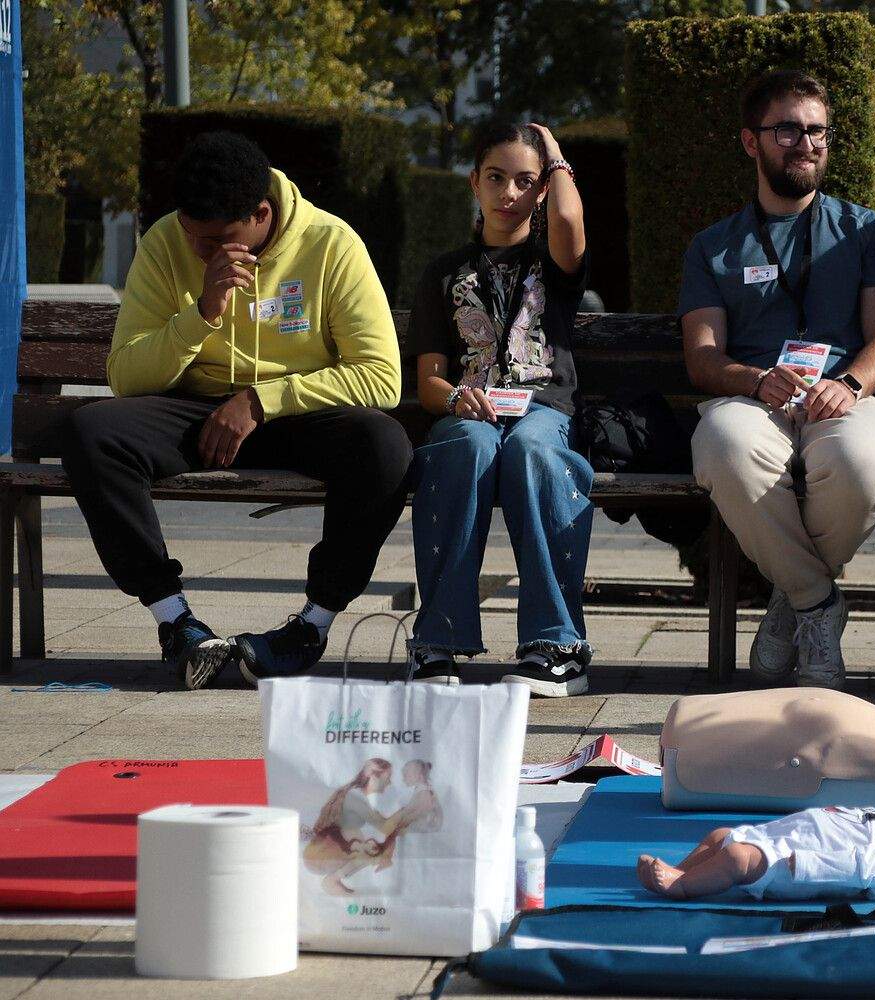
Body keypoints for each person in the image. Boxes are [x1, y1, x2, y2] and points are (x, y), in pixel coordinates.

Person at [60, 132, 409, 689]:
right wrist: (202, 313)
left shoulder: (331, 243)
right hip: (195, 412)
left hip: (296, 413)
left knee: (385, 445)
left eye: (220, 239)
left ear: (261, 214)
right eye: (193, 237)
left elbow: (381, 377)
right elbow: (126, 376)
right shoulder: (165, 241)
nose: (204, 251)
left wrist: (261, 402)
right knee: (89, 431)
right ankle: (176, 621)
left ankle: (311, 626)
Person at [680, 70, 875, 689]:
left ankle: (791, 603)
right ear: (751, 143)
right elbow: (703, 358)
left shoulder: (866, 231)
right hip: (754, 398)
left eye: (816, 131)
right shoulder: (714, 247)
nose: (805, 143)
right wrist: (753, 381)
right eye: (787, 130)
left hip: (843, 394)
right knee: (725, 446)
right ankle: (817, 603)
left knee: (865, 464)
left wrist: (854, 385)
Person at [404, 121, 592, 696]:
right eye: (496, 178)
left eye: (525, 182)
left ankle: (557, 645)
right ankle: (437, 639)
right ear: (474, 182)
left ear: (542, 189)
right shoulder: (444, 272)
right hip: (471, 410)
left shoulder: (553, 261)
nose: (509, 193)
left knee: (534, 449)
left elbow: (566, 220)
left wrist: (555, 155)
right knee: (467, 445)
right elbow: (428, 381)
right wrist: (458, 396)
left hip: (543, 409)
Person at [636, 781, 875, 901]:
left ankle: (682, 886)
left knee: (736, 858)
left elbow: (857, 869)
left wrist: (805, 866)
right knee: (721, 837)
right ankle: (681, 868)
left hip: (792, 864)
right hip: (785, 839)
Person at [303, 758, 394, 897]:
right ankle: (332, 880)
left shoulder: (350, 793)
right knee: (369, 847)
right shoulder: (355, 799)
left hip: (317, 852)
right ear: (374, 777)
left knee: (360, 838)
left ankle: (334, 880)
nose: (389, 782)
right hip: (321, 855)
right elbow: (383, 825)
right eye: (387, 777)